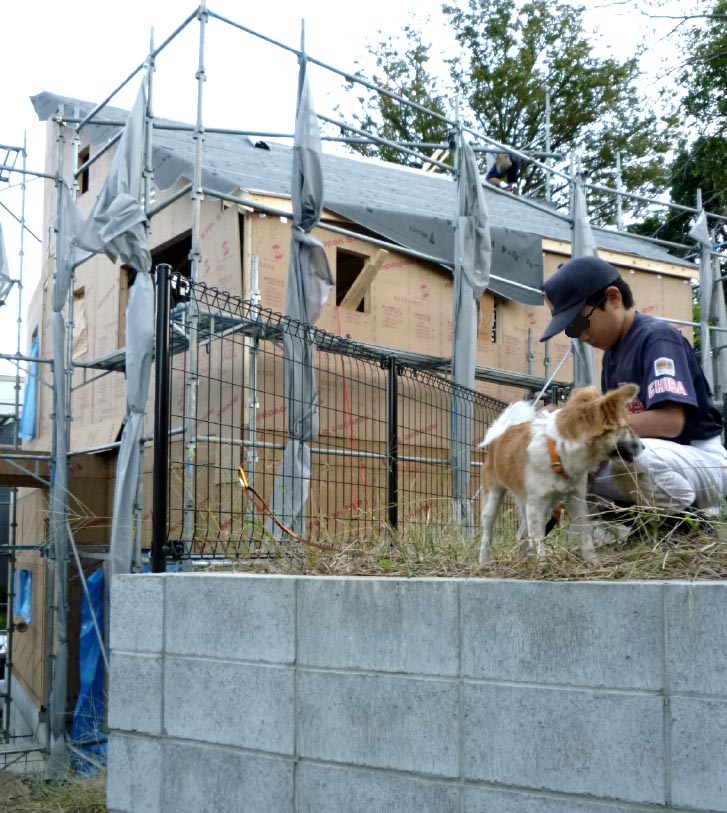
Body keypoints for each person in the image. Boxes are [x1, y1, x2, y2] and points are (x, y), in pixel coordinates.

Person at [540, 255, 727, 512]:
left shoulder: (657, 338)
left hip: (701, 460)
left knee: (625, 450)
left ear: (613, 298)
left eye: (580, 322)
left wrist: (583, 424)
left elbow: (671, 422)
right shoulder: (612, 355)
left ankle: (688, 522)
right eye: (570, 329)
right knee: (568, 467)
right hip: (663, 460)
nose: (579, 335)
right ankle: (646, 525)